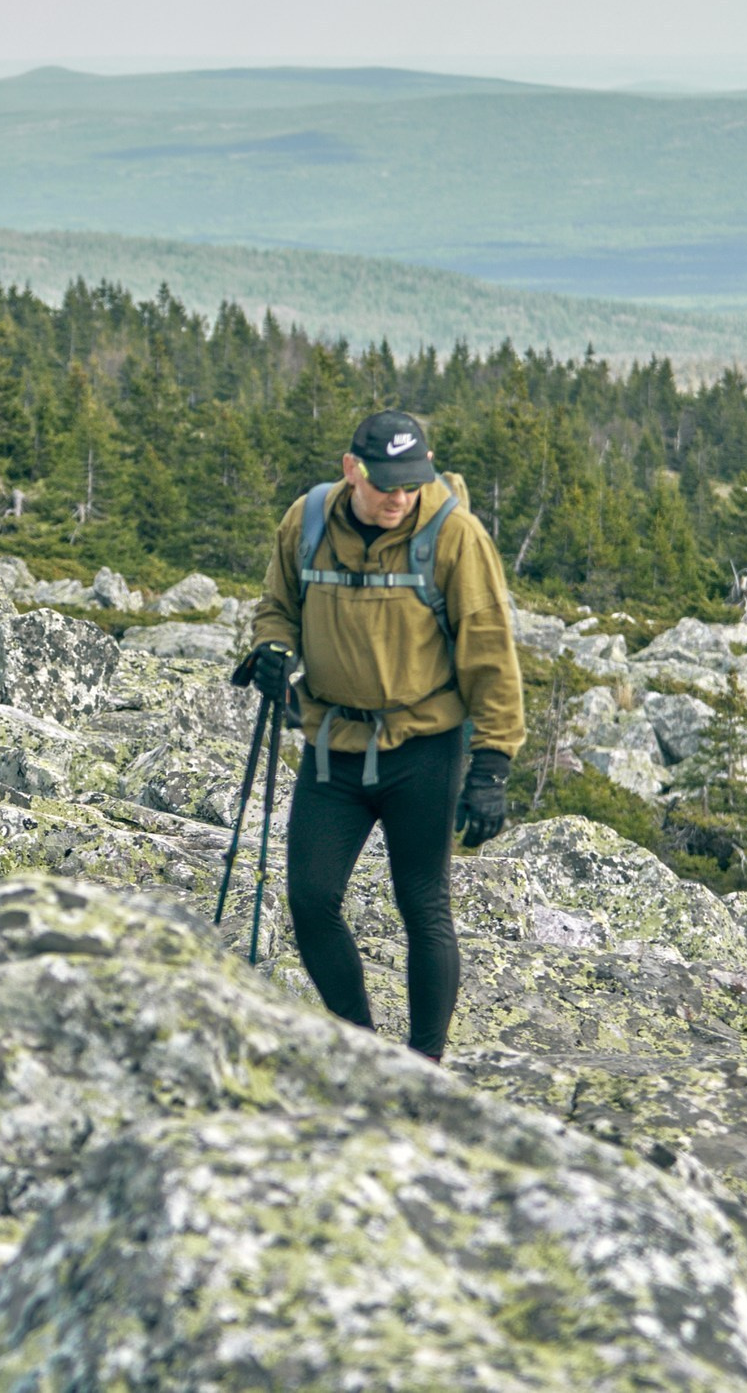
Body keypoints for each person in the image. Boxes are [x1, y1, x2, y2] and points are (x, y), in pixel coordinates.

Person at [246, 409, 525, 1062]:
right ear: (352, 471)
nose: (400, 496)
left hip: (424, 748)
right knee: (311, 900)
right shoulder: (307, 521)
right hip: (331, 742)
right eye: (386, 483)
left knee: (423, 906)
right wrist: (272, 650)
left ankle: (424, 1069)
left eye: (412, 482)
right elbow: (277, 607)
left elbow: (490, 649)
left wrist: (492, 764)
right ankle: (364, 1052)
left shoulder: (453, 533)